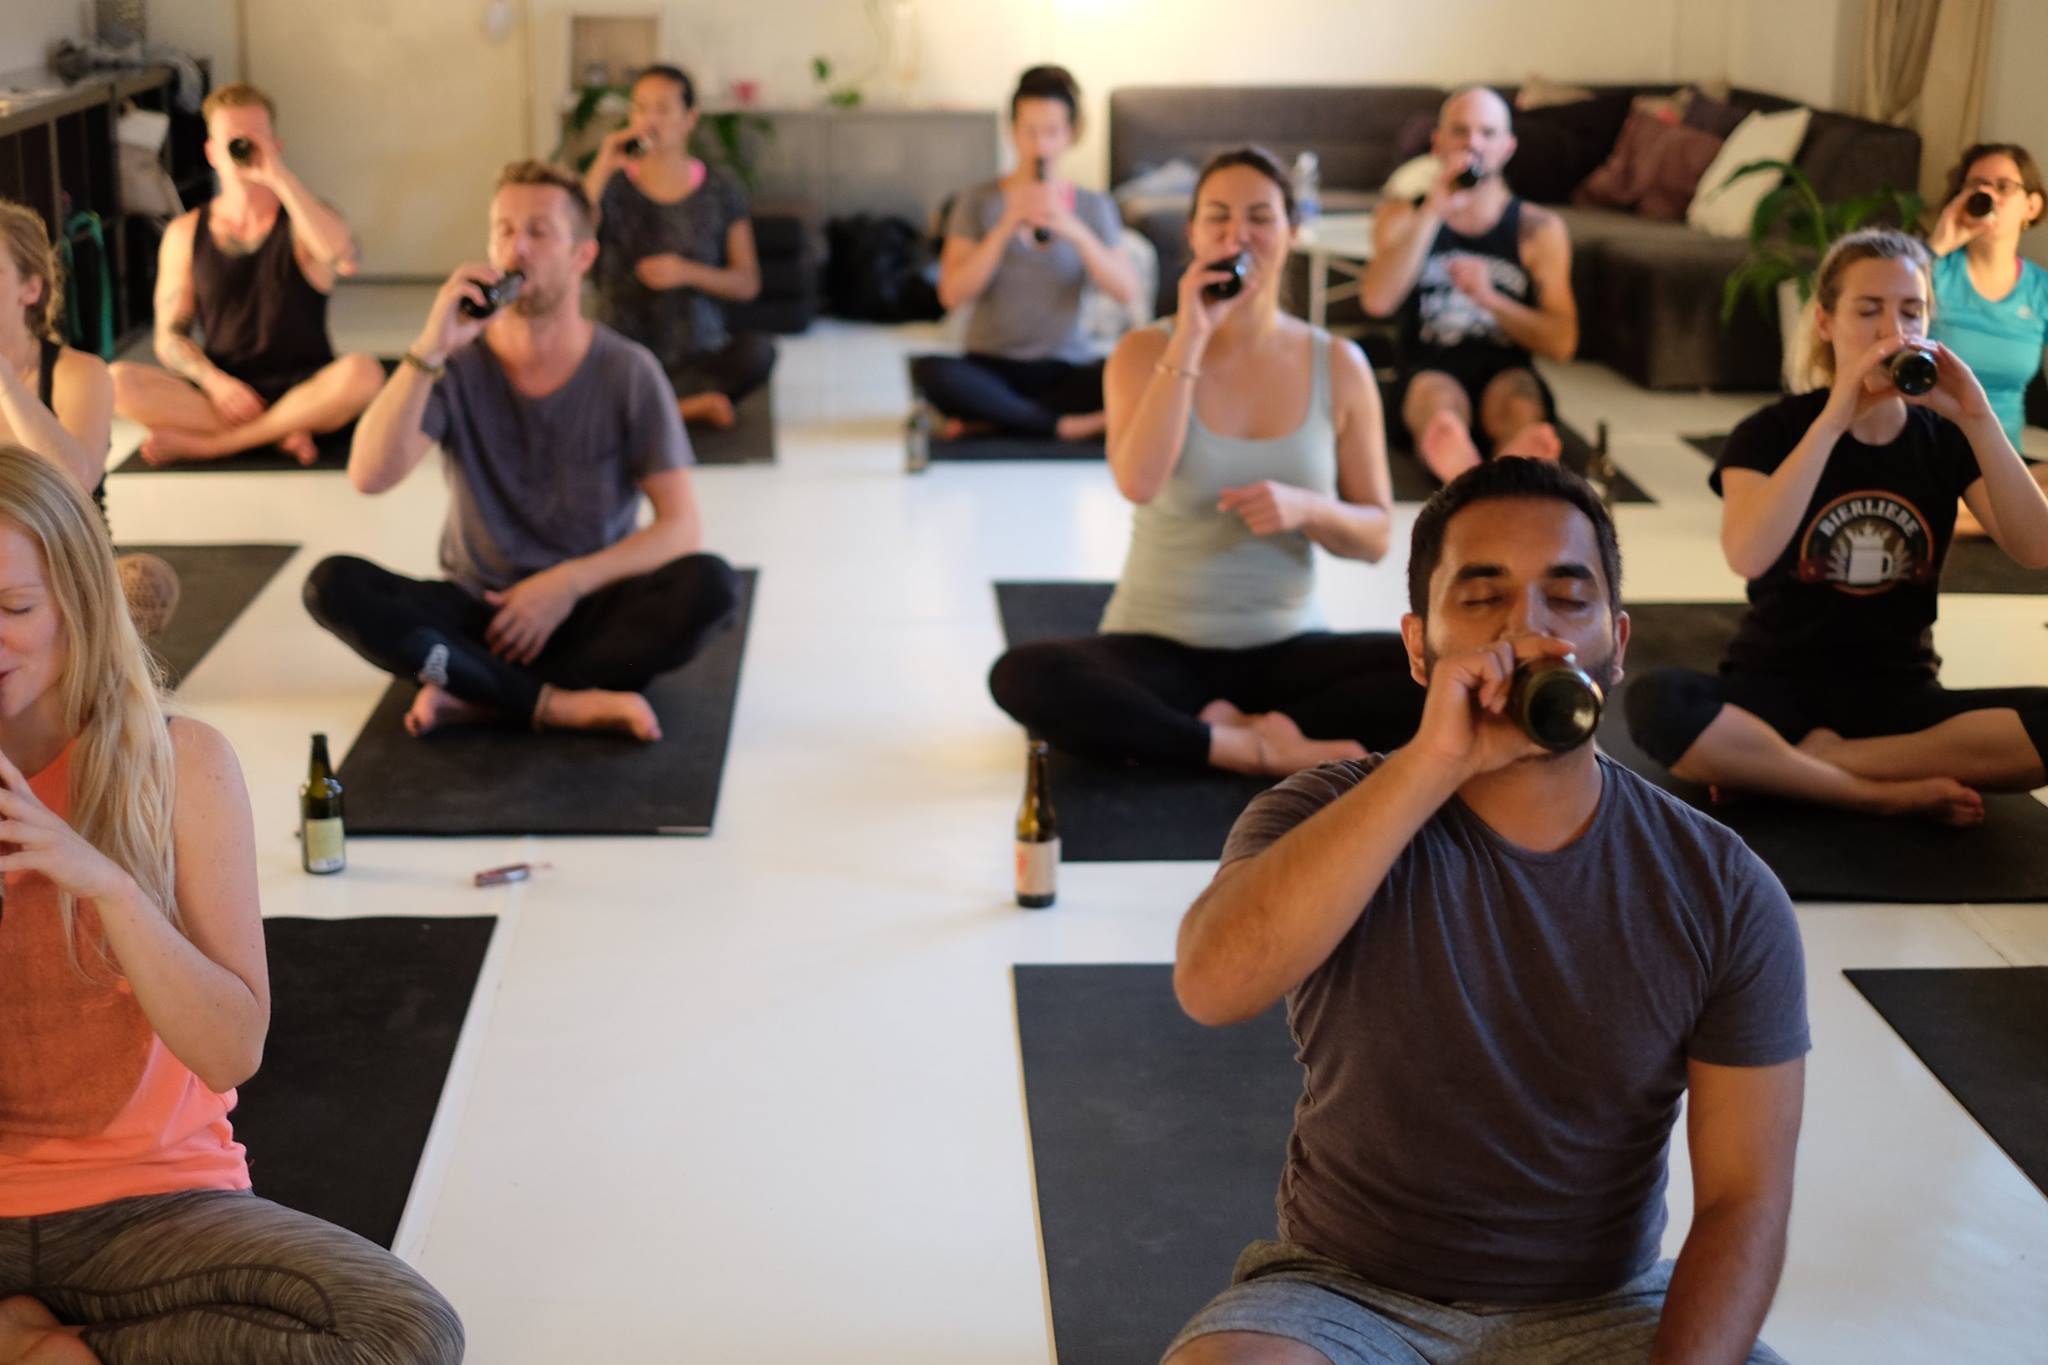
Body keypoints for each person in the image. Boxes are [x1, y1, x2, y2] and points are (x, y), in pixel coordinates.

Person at [1166, 456, 1806, 1365]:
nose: (1529, 630)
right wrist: (1438, 760)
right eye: (1482, 598)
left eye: (1567, 598)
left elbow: (1747, 1198)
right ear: (1418, 645)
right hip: (1345, 1293)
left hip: (1606, 1306)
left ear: (1617, 641)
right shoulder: (1316, 812)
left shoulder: (1723, 885)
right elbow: (1211, 984)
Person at [0, 446, 463, 1364]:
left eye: (13, 608)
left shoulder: (184, 764)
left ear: (78, 603)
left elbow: (230, 1048)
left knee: (402, 1333)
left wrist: (105, 882)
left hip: (152, 1206)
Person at [988, 148, 1419, 777]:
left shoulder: (1340, 365)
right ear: (1192, 234)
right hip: (1158, 650)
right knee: (1025, 675)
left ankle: (1203, 735)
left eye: (1260, 218)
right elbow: (1138, 482)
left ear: (1292, 233)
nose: (1237, 235)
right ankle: (1247, 747)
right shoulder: (1142, 352)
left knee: (1439, 670)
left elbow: (1376, 536)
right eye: (1218, 217)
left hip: (1289, 650)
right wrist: (1191, 335)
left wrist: (1308, 509)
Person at [303, 161, 739, 743]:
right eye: (504, 230)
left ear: (582, 255)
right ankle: (557, 703)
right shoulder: (455, 363)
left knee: (712, 586)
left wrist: (565, 585)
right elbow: (368, 476)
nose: (517, 248)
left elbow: (681, 527)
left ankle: (479, 693)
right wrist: (429, 347)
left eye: (538, 231)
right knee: (332, 585)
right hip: (480, 610)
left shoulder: (628, 370)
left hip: (590, 606)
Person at [1625, 228, 2048, 822]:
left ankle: (1797, 768)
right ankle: (1876, 792)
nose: (1891, 330)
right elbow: (1748, 553)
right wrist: (1831, 421)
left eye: (1911, 311)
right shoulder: (1770, 433)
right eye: (1869, 310)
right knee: (1657, 702)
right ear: (1825, 321)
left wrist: (1978, 418)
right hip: (1776, 687)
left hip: (1897, 692)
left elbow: (2037, 549)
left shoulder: (1946, 439)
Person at [109, 82, 382, 466]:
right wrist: (214, 383)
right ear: (211, 153)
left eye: (255, 138)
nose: (244, 149)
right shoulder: (185, 233)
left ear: (276, 146)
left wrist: (279, 177)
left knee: (364, 373)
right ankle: (281, 433)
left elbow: (342, 258)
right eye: (233, 141)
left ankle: (217, 444)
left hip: (307, 387)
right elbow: (169, 337)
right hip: (226, 393)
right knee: (115, 381)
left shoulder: (304, 220)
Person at [1361, 85, 1578, 484]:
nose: (1473, 143)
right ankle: (1467, 469)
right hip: (1428, 366)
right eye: (1460, 131)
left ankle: (1514, 466)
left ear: (1507, 147)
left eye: (1487, 133)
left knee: (1517, 404)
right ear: (1437, 142)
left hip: (1507, 367)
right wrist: (1432, 212)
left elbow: (1562, 342)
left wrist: (1490, 299)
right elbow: (1376, 301)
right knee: (1439, 403)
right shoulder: (1400, 216)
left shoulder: (1539, 228)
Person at [911, 65, 1139, 444]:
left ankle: (998, 420)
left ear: (1071, 134)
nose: (1040, 145)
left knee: (1136, 371)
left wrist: (1075, 231)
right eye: (1029, 132)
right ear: (1012, 131)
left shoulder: (1093, 206)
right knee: (930, 372)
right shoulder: (977, 200)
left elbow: (1127, 291)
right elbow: (952, 294)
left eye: (1051, 132)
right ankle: (1062, 426)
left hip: (1065, 368)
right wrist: (1005, 227)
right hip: (990, 367)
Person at [0, 201, 179, 638]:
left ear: (31, 289)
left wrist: (5, 380)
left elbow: (75, 480)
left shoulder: (79, 374)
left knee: (145, 584)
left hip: (62, 565)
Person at [585, 63, 774, 431]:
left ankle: (652, 408)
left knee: (757, 352)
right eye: (640, 108)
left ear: (690, 118)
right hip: (623, 353)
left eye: (662, 109)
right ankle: (683, 409)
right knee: (591, 375)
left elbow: (747, 283)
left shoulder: (721, 188)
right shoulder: (611, 186)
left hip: (696, 354)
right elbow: (569, 241)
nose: (649, 120)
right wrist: (603, 167)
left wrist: (688, 272)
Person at [1925, 142, 2048, 534]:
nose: (1988, 194)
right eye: (1976, 185)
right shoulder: (1930, 271)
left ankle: (1948, 517)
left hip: (2000, 463)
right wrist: (1939, 243)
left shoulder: (2040, 290)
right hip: (1929, 450)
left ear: (2032, 206)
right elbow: (1881, 305)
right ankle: (2001, 521)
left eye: (2003, 186)